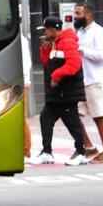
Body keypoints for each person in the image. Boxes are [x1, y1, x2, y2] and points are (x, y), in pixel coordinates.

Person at [30, 16, 89, 166]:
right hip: (58, 93)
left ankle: (81, 153)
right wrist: (44, 49)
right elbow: (47, 63)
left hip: (66, 92)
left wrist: (56, 76)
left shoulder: (67, 41)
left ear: (53, 29)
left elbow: (74, 64)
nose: (44, 33)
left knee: (72, 122)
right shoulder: (54, 43)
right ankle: (47, 152)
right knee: (46, 118)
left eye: (46, 30)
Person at [74, 4, 103, 162]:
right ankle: (89, 147)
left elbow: (102, 56)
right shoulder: (80, 32)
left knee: (98, 116)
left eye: (78, 13)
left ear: (88, 15)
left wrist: (82, 50)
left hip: (95, 80)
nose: (75, 16)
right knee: (73, 115)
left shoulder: (99, 32)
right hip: (82, 80)